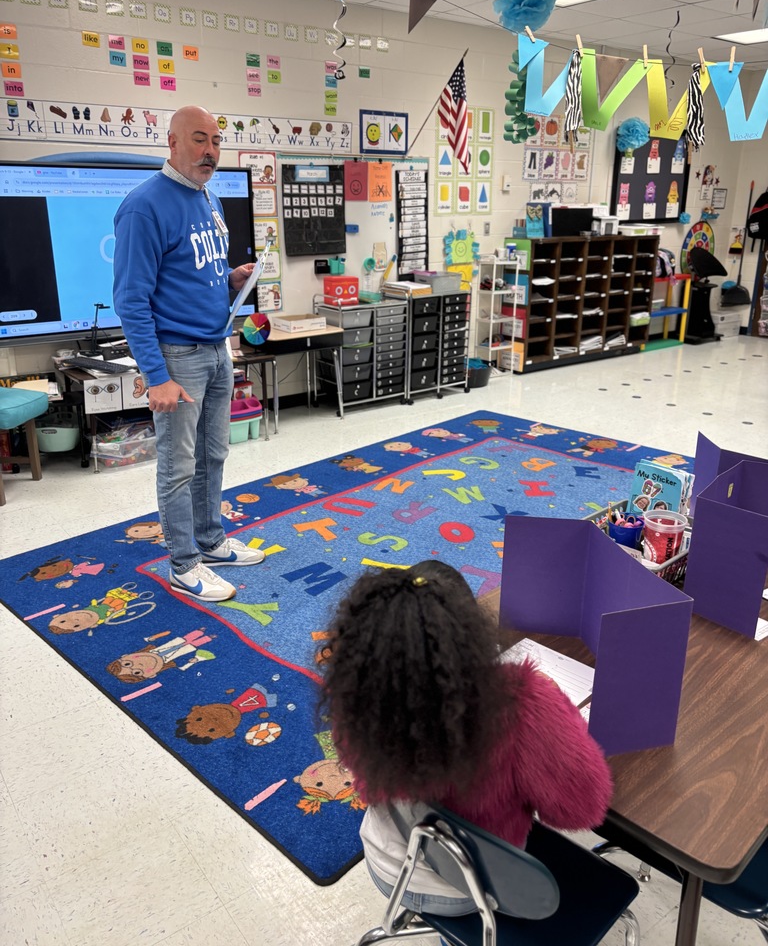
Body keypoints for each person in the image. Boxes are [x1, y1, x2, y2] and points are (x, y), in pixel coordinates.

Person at [320, 560, 613, 917]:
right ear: (472, 630)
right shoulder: (519, 702)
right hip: (478, 889)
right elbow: (581, 809)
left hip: (388, 863)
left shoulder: (361, 689)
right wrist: (557, 708)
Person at [113, 105, 264, 603]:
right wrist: (156, 375)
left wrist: (231, 280)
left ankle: (211, 540)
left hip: (216, 348)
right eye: (199, 140)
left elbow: (193, 275)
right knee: (178, 466)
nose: (210, 151)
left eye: (217, 142)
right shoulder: (144, 206)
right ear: (173, 143)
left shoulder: (209, 200)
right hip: (176, 356)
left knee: (213, 455)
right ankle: (183, 564)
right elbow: (131, 299)